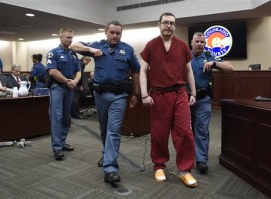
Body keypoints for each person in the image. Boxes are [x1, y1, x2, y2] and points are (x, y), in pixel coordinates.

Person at [70, 20, 141, 183]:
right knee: (104, 128)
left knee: (114, 130)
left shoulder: (127, 49)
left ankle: (110, 168)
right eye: (112, 32)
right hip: (100, 95)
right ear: (106, 32)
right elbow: (74, 46)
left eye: (118, 33)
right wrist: (90, 50)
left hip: (119, 96)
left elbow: (136, 71)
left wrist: (136, 93)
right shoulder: (97, 46)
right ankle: (106, 154)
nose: (115, 36)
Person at [139, 12, 197, 188]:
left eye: (172, 23)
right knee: (159, 133)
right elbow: (143, 71)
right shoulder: (151, 45)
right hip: (159, 94)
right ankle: (159, 166)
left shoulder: (182, 46)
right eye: (165, 23)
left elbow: (189, 71)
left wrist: (193, 93)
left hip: (179, 93)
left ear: (175, 26)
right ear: (159, 24)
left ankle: (185, 170)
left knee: (184, 133)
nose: (169, 26)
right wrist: (143, 94)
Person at [190, 32, 234, 174]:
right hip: (186, 99)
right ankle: (188, 157)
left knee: (201, 130)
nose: (199, 44)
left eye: (202, 42)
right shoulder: (185, 56)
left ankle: (201, 160)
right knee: (187, 130)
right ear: (191, 42)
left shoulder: (209, 56)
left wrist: (214, 63)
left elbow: (230, 68)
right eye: (197, 41)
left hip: (203, 99)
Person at [46, 28, 81, 161]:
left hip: (69, 88)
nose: (70, 40)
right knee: (57, 117)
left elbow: (78, 71)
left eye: (71, 38)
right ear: (60, 37)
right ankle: (57, 148)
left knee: (67, 117)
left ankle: (62, 141)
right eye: (67, 37)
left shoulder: (73, 54)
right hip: (58, 88)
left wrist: (75, 82)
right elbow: (52, 71)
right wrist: (66, 81)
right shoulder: (53, 53)